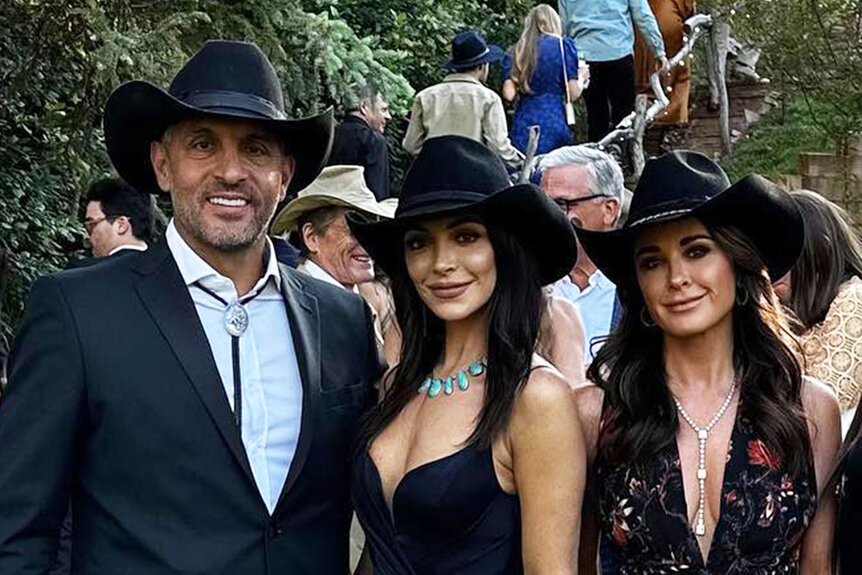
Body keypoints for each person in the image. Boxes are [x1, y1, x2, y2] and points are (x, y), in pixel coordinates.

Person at [0, 40, 384, 574]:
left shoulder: (343, 320)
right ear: (162, 165)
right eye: (203, 145)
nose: (230, 171)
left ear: (286, 173)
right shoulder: (77, 313)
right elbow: (17, 532)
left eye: (255, 149)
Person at [575, 151, 840, 573]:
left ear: (738, 265)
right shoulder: (595, 413)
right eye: (652, 262)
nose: (676, 277)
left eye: (697, 251)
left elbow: (817, 566)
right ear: (638, 285)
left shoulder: (809, 409)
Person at [348, 136, 585, 573]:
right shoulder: (394, 385)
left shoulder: (534, 397)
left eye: (465, 236)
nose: (441, 262)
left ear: (503, 248)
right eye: (419, 242)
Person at [271, 164, 401, 366]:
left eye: (372, 229)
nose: (368, 241)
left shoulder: (360, 300)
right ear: (312, 237)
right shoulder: (295, 309)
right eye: (353, 229)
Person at [773, 190, 862, 422]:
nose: (771, 266)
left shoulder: (854, 298)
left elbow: (821, 404)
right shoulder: (789, 312)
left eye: (783, 252)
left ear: (818, 250)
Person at [534, 145, 625, 364]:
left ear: (609, 210)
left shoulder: (639, 289)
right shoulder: (525, 285)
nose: (550, 217)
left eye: (562, 204)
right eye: (544, 205)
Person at [402, 30, 524, 169]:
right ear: (482, 66)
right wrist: (523, 161)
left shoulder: (424, 97)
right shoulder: (489, 99)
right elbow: (499, 148)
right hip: (475, 175)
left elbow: (410, 145)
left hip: (433, 176)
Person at [558, 0, 669, 142]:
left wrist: (567, 61)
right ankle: (624, 157)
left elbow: (563, 27)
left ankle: (598, 157)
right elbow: (643, 16)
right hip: (619, 53)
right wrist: (658, 51)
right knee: (625, 117)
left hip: (585, 58)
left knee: (596, 117)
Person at [502, 5, 588, 154]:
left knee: (525, 170)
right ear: (554, 22)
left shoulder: (516, 51)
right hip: (554, 119)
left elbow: (508, 95)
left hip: (524, 123)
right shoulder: (563, 47)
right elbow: (573, 93)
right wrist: (582, 77)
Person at [634, 0, 695, 125]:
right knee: (678, 74)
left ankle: (649, 111)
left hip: (641, 23)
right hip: (667, 22)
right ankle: (674, 118)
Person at [328, 81, 392, 200]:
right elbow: (377, 193)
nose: (388, 116)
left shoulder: (329, 136)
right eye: (384, 109)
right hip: (360, 214)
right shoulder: (373, 140)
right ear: (364, 107)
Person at [83, 176, 153, 258]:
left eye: (91, 225)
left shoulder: (87, 270)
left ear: (121, 225)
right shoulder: (167, 265)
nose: (86, 236)